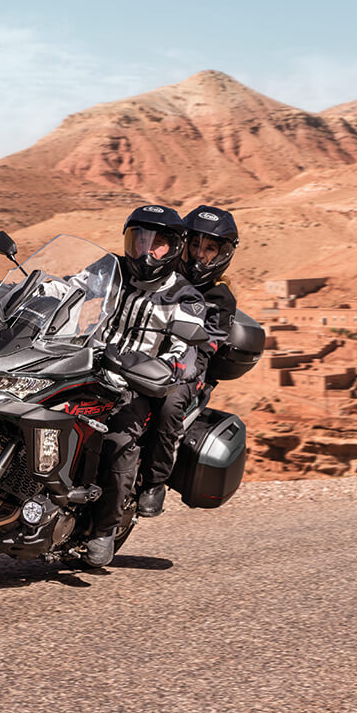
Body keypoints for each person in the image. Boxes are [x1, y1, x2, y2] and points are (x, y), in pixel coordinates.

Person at [85, 204, 211, 566]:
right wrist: (18, 290)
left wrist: (159, 368)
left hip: (136, 384)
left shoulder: (186, 297)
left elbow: (183, 352)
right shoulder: (112, 269)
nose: (145, 251)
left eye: (156, 243)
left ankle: (103, 529)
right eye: (139, 240)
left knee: (119, 441)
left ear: (173, 248)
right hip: (88, 365)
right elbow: (68, 285)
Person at [136, 204, 239, 518]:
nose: (199, 254)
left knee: (169, 405)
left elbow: (207, 346)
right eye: (195, 244)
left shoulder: (220, 297)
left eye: (209, 249)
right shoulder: (162, 276)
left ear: (221, 254)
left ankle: (154, 482)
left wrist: (177, 369)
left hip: (186, 370)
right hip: (140, 353)